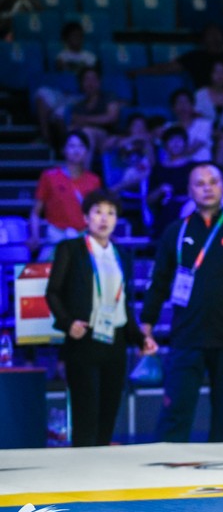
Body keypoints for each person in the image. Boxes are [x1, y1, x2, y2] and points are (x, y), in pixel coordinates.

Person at [139, 163, 223, 442]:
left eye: (213, 182)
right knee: (175, 410)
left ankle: (222, 477)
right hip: (187, 335)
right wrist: (147, 323)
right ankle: (167, 471)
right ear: (190, 191)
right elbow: (159, 281)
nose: (207, 188)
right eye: (200, 183)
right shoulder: (175, 232)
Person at [45, 189, 158, 446]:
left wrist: (141, 339)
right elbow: (53, 292)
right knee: (86, 416)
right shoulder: (70, 249)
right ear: (86, 217)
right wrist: (67, 323)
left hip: (115, 341)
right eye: (97, 212)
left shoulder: (120, 255)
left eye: (110, 213)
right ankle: (83, 479)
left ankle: (103, 478)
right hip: (84, 337)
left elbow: (124, 307)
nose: (104, 219)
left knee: (108, 414)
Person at [29, 130, 102, 260]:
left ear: (86, 152)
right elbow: (35, 213)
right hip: (55, 239)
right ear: (64, 150)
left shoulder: (94, 180)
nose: (76, 150)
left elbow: (98, 213)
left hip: (85, 239)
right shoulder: (49, 177)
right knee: (39, 272)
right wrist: (34, 236)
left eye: (81, 146)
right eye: (72, 146)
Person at [34, 21, 97, 145]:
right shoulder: (61, 56)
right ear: (67, 39)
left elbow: (91, 80)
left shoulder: (90, 57)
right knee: (41, 93)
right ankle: (45, 136)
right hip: (62, 92)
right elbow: (62, 72)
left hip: (80, 96)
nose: (76, 39)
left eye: (79, 36)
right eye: (73, 36)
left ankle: (65, 147)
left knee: (61, 113)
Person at [133, 23, 223, 90]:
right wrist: (138, 71)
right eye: (211, 36)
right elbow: (167, 68)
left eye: (218, 36)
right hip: (204, 101)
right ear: (203, 41)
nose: (215, 39)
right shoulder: (195, 57)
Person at [146, 125, 196, 238]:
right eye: (172, 140)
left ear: (185, 144)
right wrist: (160, 190)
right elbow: (149, 200)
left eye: (179, 140)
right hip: (166, 212)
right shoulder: (158, 169)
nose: (176, 144)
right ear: (165, 145)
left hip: (190, 210)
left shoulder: (194, 167)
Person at [67, 66, 120, 155]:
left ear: (99, 82)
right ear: (81, 83)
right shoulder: (78, 106)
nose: (90, 83)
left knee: (88, 132)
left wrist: (85, 119)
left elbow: (112, 117)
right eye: (87, 79)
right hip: (85, 138)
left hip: (107, 137)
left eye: (94, 79)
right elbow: (75, 124)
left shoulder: (109, 97)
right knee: (78, 136)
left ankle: (83, 169)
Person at [160, 88, 213, 162]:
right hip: (175, 168)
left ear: (193, 106)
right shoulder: (168, 127)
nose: (183, 106)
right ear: (173, 108)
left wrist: (175, 155)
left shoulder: (204, 124)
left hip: (201, 167)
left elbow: (193, 148)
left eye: (186, 102)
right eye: (179, 103)